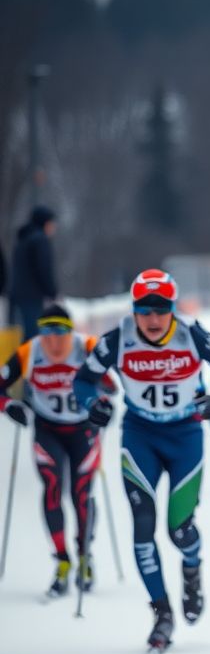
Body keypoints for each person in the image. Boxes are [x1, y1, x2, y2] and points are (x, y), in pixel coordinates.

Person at [74, 269, 210, 654]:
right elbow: (83, 381)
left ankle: (192, 568)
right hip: (139, 436)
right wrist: (93, 405)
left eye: (162, 310)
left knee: (179, 529)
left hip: (185, 437)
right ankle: (162, 613)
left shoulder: (193, 335)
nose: (153, 319)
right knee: (143, 524)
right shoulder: (118, 339)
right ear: (134, 310)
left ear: (173, 309)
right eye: (144, 310)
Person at [0, 304, 110, 595]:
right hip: (47, 429)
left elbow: (115, 382)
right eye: (46, 331)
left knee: (82, 492)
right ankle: (62, 561)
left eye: (60, 331)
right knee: (51, 487)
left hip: (83, 429)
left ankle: (85, 554)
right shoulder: (30, 351)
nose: (53, 340)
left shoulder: (87, 346)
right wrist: (10, 406)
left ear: (70, 331)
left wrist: (104, 401)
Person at [10, 206, 58, 339]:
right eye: (51, 223)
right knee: (33, 335)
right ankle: (27, 359)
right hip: (32, 295)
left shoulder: (23, 239)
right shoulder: (40, 240)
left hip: (18, 295)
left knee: (25, 332)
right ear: (45, 223)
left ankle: (21, 358)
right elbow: (43, 268)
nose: (53, 227)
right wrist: (52, 291)